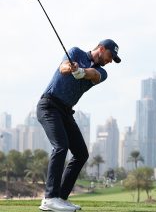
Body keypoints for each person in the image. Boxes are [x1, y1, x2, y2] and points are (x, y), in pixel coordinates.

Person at [37, 39, 121, 212]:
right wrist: (72, 68)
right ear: (101, 48)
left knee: (81, 153)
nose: (110, 60)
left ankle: (60, 198)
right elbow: (63, 68)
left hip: (66, 112)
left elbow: (94, 75)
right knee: (61, 146)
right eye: (110, 55)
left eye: (113, 58)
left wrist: (81, 71)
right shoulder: (76, 52)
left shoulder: (101, 72)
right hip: (49, 106)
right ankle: (49, 198)